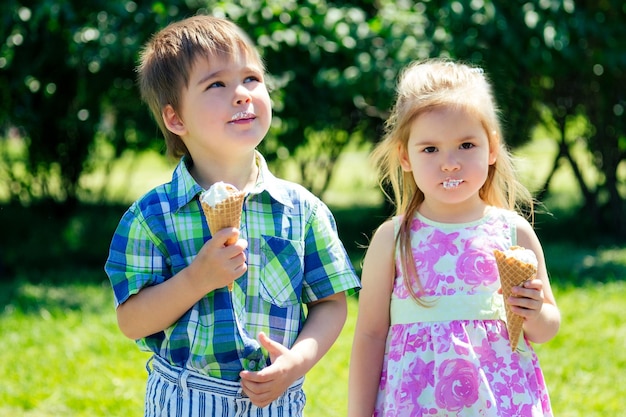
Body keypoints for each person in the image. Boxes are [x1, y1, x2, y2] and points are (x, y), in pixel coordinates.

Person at [104, 15, 360, 417]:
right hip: (184, 399)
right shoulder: (152, 217)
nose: (241, 94)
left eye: (251, 79)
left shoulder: (302, 211)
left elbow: (330, 303)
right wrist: (196, 279)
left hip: (276, 398)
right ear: (176, 119)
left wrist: (297, 361)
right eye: (217, 85)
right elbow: (132, 321)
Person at [347, 59, 560, 416]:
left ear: (491, 148)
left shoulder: (513, 232)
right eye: (430, 149)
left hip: (502, 403)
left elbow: (546, 327)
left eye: (466, 145)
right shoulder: (394, 239)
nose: (450, 163)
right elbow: (370, 335)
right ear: (405, 156)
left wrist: (535, 312)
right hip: (417, 404)